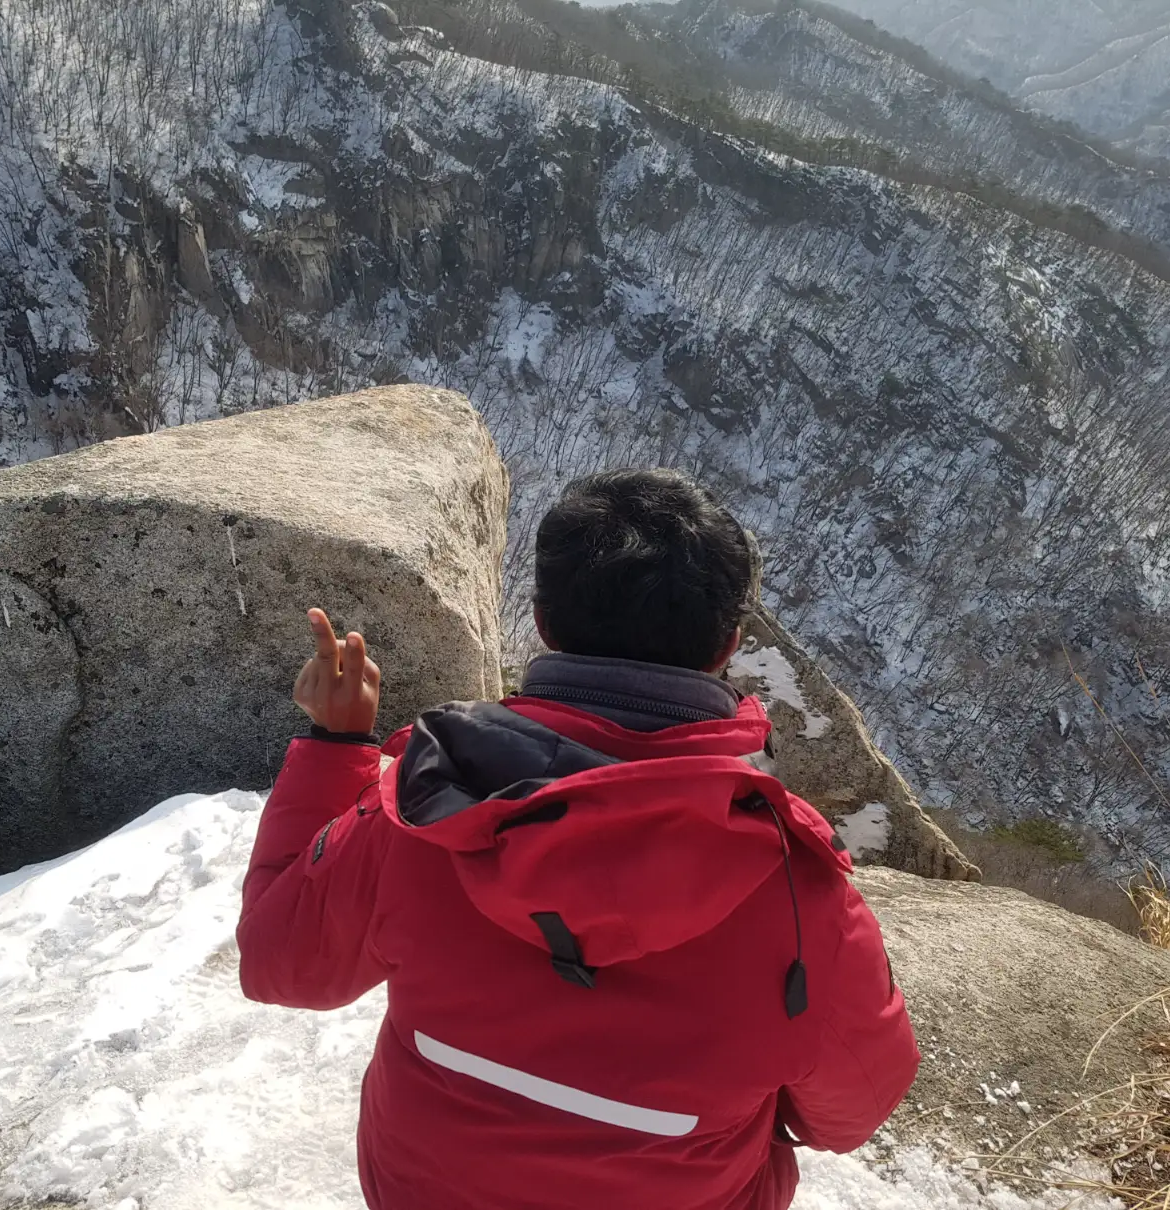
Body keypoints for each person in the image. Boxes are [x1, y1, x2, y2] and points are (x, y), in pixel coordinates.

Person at [237, 469, 919, 1210]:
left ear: (541, 623)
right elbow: (848, 1115)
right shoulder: (794, 886)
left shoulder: (427, 808)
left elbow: (284, 964)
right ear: (728, 645)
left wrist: (338, 747)